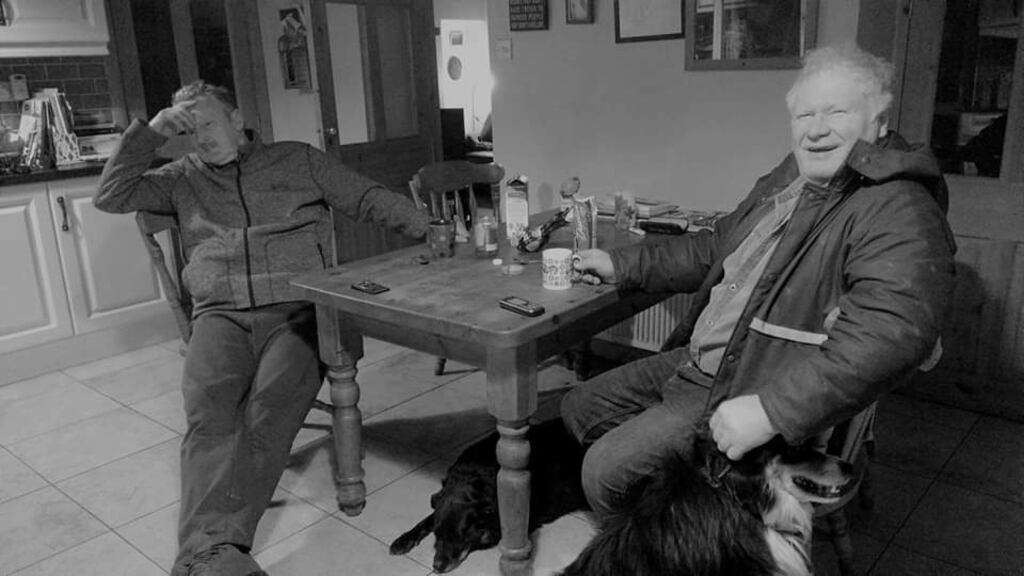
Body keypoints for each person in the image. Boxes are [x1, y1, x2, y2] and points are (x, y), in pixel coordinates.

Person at [562, 44, 956, 520]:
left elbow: (895, 332)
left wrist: (770, 411)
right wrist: (621, 264)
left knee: (603, 473)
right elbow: (715, 247)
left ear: (878, 122)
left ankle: (679, 538)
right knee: (578, 407)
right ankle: (676, 503)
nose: (815, 129)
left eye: (837, 112)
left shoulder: (898, 206)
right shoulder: (792, 178)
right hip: (702, 361)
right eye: (804, 114)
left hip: (751, 383)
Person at [95, 81, 430, 576]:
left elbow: (366, 198)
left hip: (298, 309)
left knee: (267, 408)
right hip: (219, 313)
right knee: (208, 414)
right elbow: (111, 195)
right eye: (188, 131)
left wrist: (434, 229)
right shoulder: (182, 176)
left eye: (207, 124)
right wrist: (152, 134)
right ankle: (214, 555)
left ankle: (209, 554)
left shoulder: (297, 160)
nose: (200, 139)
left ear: (236, 120)